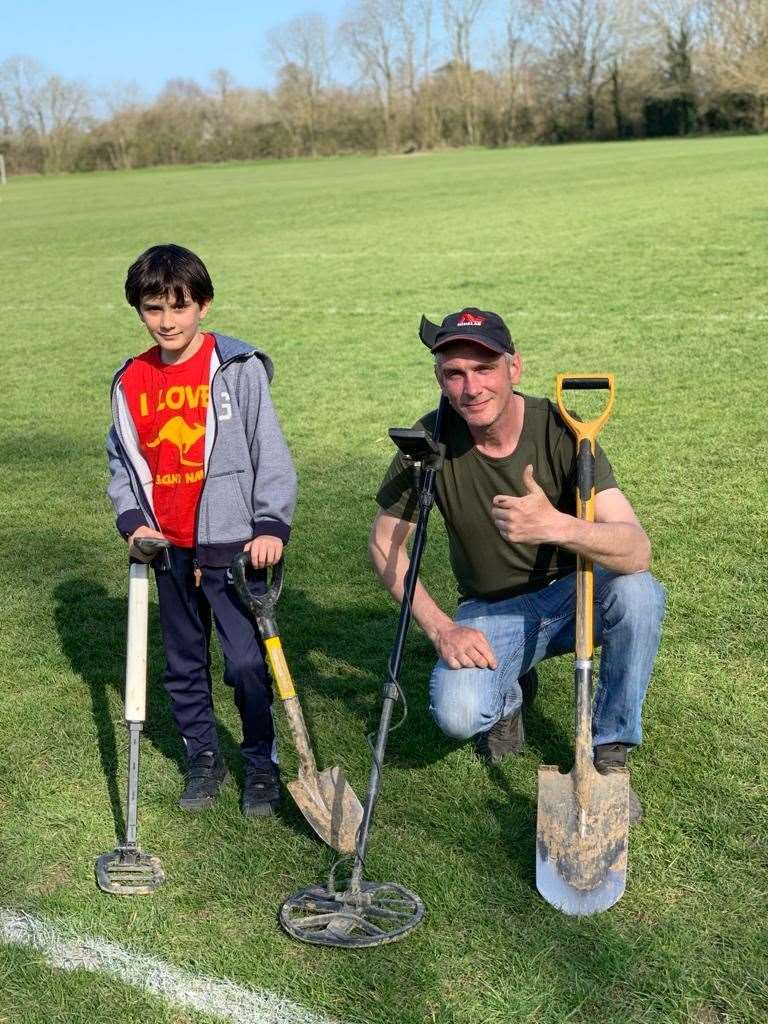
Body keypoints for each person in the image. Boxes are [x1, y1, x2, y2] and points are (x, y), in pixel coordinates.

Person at [369, 308, 665, 822]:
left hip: (577, 589)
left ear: (514, 368)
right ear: (440, 379)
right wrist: (442, 630)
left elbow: (637, 550)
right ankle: (506, 698)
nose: (470, 388)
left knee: (639, 593)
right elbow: (384, 543)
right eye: (454, 374)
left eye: (484, 369)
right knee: (459, 713)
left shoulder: (564, 428)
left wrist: (558, 526)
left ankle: (611, 751)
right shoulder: (430, 441)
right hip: (492, 609)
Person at [106, 243, 297, 817]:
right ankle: (203, 756)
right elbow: (122, 464)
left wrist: (270, 524)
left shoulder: (235, 371)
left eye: (179, 307)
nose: (167, 321)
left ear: (204, 306)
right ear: (139, 311)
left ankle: (261, 761)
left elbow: (271, 452)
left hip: (236, 547)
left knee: (244, 661)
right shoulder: (131, 380)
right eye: (153, 309)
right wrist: (136, 524)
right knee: (183, 663)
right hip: (167, 549)